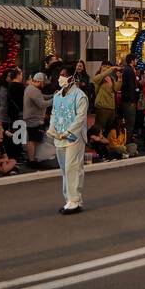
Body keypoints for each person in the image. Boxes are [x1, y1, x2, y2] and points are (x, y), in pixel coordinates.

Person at [48, 67, 90, 214]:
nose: (61, 77)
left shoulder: (80, 96)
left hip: (74, 138)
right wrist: (52, 129)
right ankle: (69, 199)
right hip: (59, 138)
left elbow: (80, 118)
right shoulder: (58, 95)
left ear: (72, 77)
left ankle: (75, 200)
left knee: (73, 168)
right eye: (60, 75)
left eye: (64, 75)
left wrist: (68, 132)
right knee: (64, 170)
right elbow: (54, 113)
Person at [22, 73, 51, 167]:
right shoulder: (34, 91)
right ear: (38, 81)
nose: (44, 85)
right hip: (33, 119)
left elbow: (41, 96)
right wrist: (55, 99)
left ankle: (32, 159)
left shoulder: (31, 88)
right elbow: (42, 104)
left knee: (33, 139)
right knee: (32, 140)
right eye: (43, 83)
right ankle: (31, 161)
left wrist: (52, 95)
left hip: (31, 118)